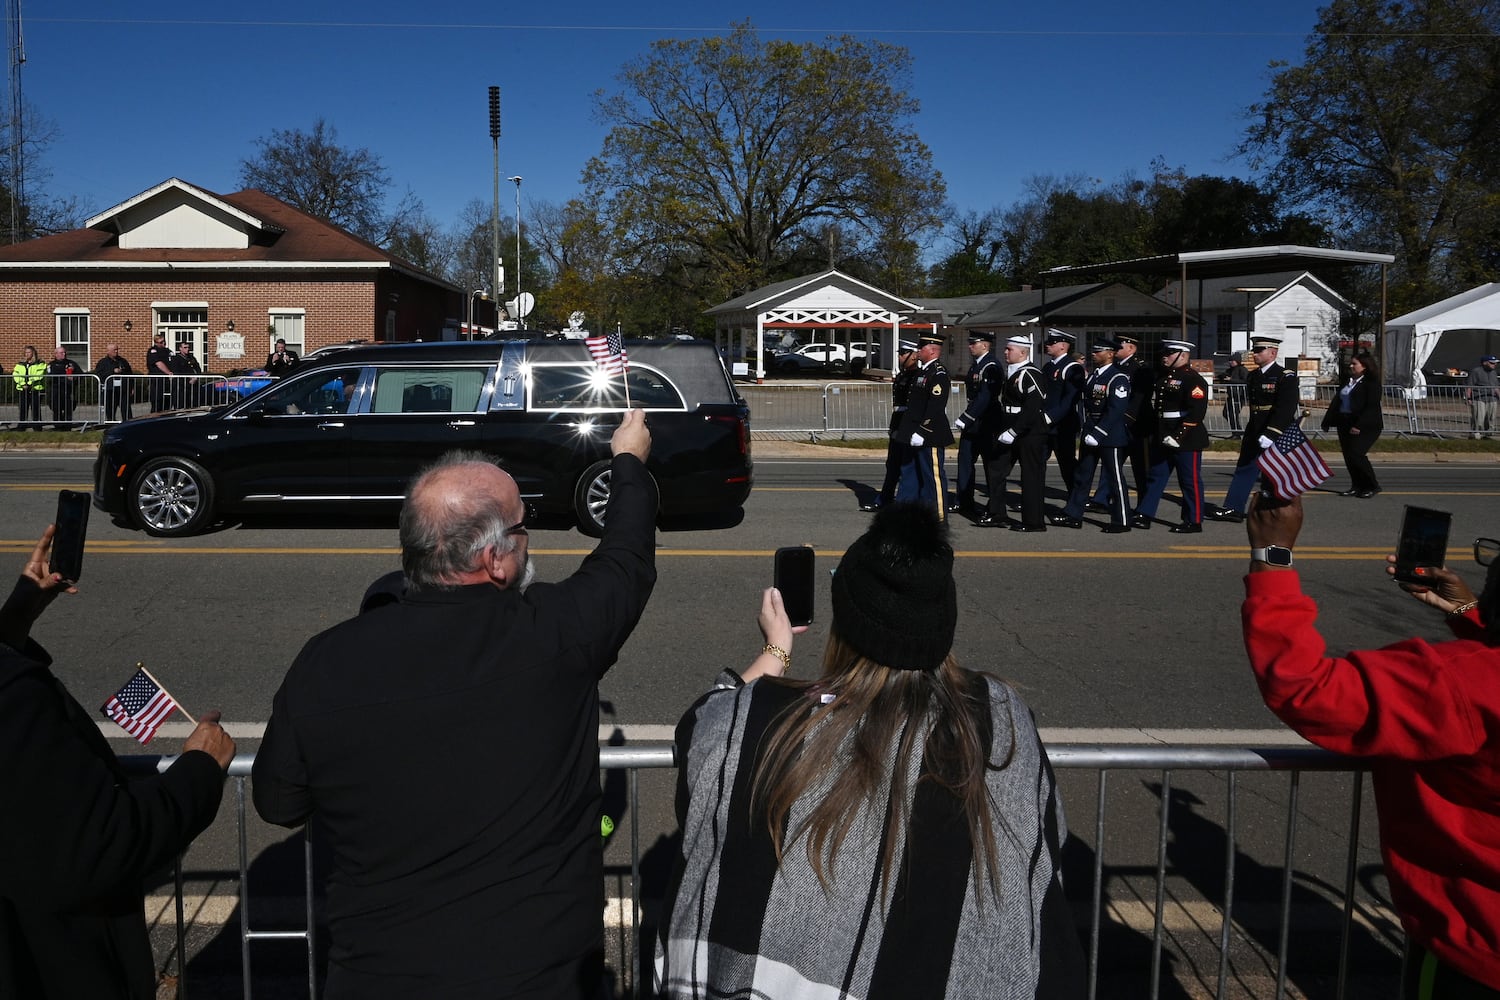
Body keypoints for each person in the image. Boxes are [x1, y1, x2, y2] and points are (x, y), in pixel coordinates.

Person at [253, 408, 657, 999]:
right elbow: (626, 559)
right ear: (494, 558)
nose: (527, 539)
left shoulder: (324, 660)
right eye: (522, 528)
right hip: (535, 978)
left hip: (373, 978)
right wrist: (628, 461)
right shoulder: (553, 635)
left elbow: (277, 801)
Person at [656, 504, 1085, 999]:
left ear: (845, 624)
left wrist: (775, 652)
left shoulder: (766, 718)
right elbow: (1050, 837)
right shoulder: (999, 721)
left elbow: (701, 728)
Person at [1240, 493, 1500, 998]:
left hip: (1476, 947)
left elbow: (1304, 687)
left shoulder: (1460, 682)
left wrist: (1272, 554)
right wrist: (1470, 613)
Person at [0, 525, 235, 999]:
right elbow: (103, 845)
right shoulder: (13, 700)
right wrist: (199, 770)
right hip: (53, 966)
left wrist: (16, 617)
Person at [1207, 335, 1300, 523]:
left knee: (1273, 472)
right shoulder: (1254, 375)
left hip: (1275, 430)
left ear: (1273, 353)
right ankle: (1233, 508)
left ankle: (1272, 509)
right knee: (1244, 468)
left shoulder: (1285, 376)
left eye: (1260, 350)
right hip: (1255, 429)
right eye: (1254, 350)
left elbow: (1286, 407)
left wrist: (1272, 432)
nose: (1255, 354)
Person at [1051, 339, 1132, 532]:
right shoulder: (1093, 376)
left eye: (1098, 351)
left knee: (1115, 479)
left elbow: (1116, 410)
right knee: (1082, 476)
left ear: (1111, 354)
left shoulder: (1117, 378)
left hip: (1109, 435)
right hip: (1091, 432)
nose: (1093, 354)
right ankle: (1073, 514)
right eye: (1093, 350)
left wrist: (1098, 432)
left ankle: (1121, 520)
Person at [1133, 339, 1209, 533]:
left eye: (1169, 354)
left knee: (1189, 480)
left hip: (1186, 437)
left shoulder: (1193, 379)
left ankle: (1194, 520)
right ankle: (1145, 514)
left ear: (1182, 355)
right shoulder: (1164, 376)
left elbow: (1196, 413)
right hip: (1163, 432)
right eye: (1164, 353)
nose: (1164, 357)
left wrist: (1178, 436)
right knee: (1156, 477)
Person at [982, 334, 1047, 531]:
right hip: (1009, 425)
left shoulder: (1030, 373)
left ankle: (1034, 522)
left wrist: (1014, 430)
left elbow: (1033, 407)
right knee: (996, 469)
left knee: (1030, 477)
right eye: (1006, 348)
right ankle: (997, 513)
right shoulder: (1012, 372)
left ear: (1022, 351)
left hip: (1028, 431)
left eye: (1009, 349)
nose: (1005, 352)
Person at [894, 331, 954, 517]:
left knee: (932, 477)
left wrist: (922, 430)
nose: (918, 350)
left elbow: (936, 406)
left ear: (932, 350)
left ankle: (938, 516)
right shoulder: (923, 371)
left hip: (929, 434)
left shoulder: (938, 373)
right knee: (909, 474)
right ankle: (905, 512)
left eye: (921, 347)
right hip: (912, 432)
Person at [860, 340, 918, 512]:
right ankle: (885, 499)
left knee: (907, 468)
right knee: (892, 465)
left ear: (914, 355)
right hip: (898, 423)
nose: (900, 357)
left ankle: (904, 502)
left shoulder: (918, 376)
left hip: (908, 425)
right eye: (900, 353)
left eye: (903, 353)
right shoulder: (902, 374)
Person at [1321, 349, 1384, 498]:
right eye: (1351, 364)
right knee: (1349, 457)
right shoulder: (1348, 382)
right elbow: (1337, 402)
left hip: (1365, 425)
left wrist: (1359, 425)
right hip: (1345, 422)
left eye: (1354, 364)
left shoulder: (1371, 384)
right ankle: (1356, 486)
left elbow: (1371, 407)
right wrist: (1327, 421)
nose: (1351, 366)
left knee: (1357, 454)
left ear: (1365, 366)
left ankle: (1372, 485)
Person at [950, 331, 1000, 518]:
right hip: (974, 421)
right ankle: (963, 500)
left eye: (974, 343)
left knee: (990, 465)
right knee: (965, 461)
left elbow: (985, 396)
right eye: (970, 343)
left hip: (987, 421)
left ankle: (994, 506)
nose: (970, 346)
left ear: (985, 345)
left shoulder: (991, 366)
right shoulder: (976, 366)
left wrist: (966, 417)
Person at [1041, 328, 1086, 500]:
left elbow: (1070, 399)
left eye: (1052, 343)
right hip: (1044, 423)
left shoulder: (1072, 368)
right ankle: (1034, 496)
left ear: (1063, 346)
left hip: (1062, 425)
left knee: (1067, 464)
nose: (1048, 345)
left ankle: (1077, 498)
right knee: (1037, 463)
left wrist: (1050, 416)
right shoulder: (1048, 366)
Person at [94, 343, 135, 422]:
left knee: (126, 408)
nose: (116, 351)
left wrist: (131, 387)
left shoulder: (122, 361)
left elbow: (130, 374)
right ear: (108, 351)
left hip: (123, 389)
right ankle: (110, 422)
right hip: (110, 389)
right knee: (110, 408)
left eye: (117, 349)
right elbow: (100, 374)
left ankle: (127, 423)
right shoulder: (103, 362)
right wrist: (112, 371)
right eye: (114, 350)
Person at [44, 347, 82, 427]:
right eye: (61, 353)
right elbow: (48, 377)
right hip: (55, 391)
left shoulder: (71, 364)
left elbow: (81, 375)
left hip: (68, 390)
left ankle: (67, 426)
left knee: (68, 409)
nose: (63, 354)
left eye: (64, 352)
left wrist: (74, 378)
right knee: (56, 409)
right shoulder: (51, 365)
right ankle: (57, 426)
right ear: (56, 354)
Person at [11, 345, 45, 430]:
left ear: (33, 353)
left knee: (35, 408)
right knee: (23, 408)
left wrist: (29, 383)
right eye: (25, 352)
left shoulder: (40, 363)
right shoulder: (20, 364)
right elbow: (16, 374)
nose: (27, 354)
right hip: (22, 389)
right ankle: (22, 426)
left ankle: (37, 426)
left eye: (29, 352)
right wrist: (22, 383)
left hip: (35, 389)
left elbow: (39, 375)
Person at [1466, 354, 1498, 440]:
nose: (1494, 365)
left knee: (1491, 418)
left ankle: (1487, 435)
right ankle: (1475, 434)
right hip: (1479, 398)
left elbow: (1496, 387)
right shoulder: (1476, 371)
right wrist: (1468, 398)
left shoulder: (1494, 373)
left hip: (1492, 398)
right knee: (1478, 417)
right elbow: (1470, 386)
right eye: (1492, 363)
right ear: (1485, 363)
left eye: (1495, 363)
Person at [167, 341, 204, 408]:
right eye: (185, 347)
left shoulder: (191, 358)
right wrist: (189, 379)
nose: (187, 349)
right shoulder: (176, 359)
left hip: (192, 385)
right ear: (180, 348)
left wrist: (196, 377)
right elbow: (176, 372)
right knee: (181, 405)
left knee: (193, 405)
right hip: (181, 386)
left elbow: (198, 368)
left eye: (188, 347)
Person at [1220, 353, 1248, 435]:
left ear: (1237, 361)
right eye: (1230, 360)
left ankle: (1236, 433)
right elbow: (1224, 377)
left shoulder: (1242, 369)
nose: (1231, 362)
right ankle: (1238, 430)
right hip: (1231, 395)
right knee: (1226, 413)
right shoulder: (1230, 370)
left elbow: (1246, 381)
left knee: (1233, 414)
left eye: (1233, 360)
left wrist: (1231, 379)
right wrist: (1221, 377)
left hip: (1239, 396)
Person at [145, 333, 173, 412]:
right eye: (161, 342)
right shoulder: (153, 351)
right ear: (156, 342)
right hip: (156, 381)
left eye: (164, 341)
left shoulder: (168, 351)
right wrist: (169, 373)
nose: (164, 343)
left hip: (166, 382)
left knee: (167, 403)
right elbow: (158, 363)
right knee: (157, 403)